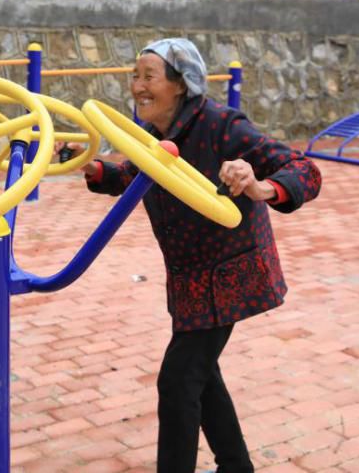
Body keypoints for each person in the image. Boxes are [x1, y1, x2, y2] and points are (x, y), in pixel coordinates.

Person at [61, 38, 321, 473]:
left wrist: (258, 185)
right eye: (135, 76)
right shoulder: (150, 132)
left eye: (150, 76)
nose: (138, 86)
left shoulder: (222, 125)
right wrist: (94, 168)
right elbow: (134, 172)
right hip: (189, 277)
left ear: (181, 84)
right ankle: (236, 466)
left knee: (179, 380)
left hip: (232, 273)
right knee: (202, 376)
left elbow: (304, 169)